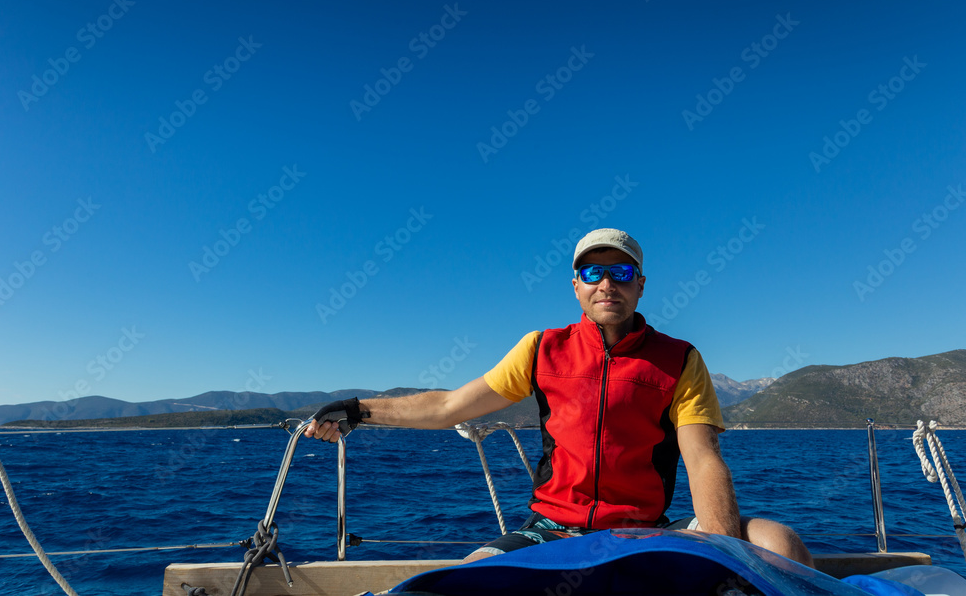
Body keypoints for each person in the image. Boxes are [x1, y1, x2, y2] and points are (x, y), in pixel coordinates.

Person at [305, 228, 813, 566]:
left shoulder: (679, 359)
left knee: (778, 543)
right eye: (593, 273)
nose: (607, 283)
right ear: (576, 286)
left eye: (621, 272)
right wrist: (357, 410)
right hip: (552, 529)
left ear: (640, 286)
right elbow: (449, 407)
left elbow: (703, 459)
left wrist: (722, 557)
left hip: (648, 529)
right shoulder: (542, 348)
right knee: (471, 575)